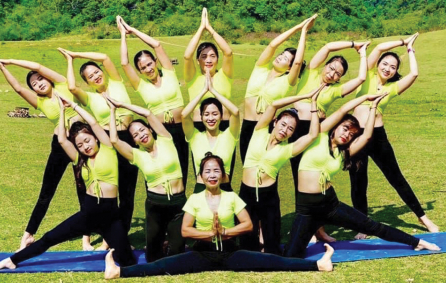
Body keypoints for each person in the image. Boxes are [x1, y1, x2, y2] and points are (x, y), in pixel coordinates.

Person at [103, 154, 334, 278]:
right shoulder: (194, 199)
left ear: (223, 175)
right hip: (201, 254)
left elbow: (248, 225)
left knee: (272, 261)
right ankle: (118, 271)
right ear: (201, 177)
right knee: (162, 265)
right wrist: (208, 234)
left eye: (216, 171)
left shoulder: (232, 197)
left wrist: (224, 232)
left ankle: (318, 266)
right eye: (207, 171)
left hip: (231, 253)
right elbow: (185, 231)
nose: (212, 175)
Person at [284, 92, 440, 257]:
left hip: (329, 204)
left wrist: (373, 109)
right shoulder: (319, 136)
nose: (346, 135)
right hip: (306, 208)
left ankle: (418, 242)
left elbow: (366, 136)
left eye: (351, 135)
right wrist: (365, 98)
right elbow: (344, 109)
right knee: (291, 255)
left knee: (372, 226)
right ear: (336, 126)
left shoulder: (344, 154)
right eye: (345, 129)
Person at [0, 99, 137, 270]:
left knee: (128, 261)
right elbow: (61, 140)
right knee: (50, 238)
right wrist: (62, 111)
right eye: (80, 145)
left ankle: (115, 252)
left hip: (110, 215)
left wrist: (74, 106)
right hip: (89, 213)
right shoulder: (79, 159)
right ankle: (12, 260)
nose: (85, 147)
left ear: (95, 138)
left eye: (87, 141)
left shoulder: (108, 148)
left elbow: (94, 122)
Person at [0, 57, 83, 251]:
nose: (38, 83)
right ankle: (28, 235)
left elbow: (37, 66)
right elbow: (19, 89)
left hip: (82, 142)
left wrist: (10, 60)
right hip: (60, 146)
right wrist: (2, 68)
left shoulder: (62, 85)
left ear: (47, 78)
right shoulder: (39, 101)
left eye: (40, 79)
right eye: (34, 84)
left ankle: (86, 237)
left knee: (84, 187)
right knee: (47, 192)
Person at [348, 33, 440, 236]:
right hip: (356, 135)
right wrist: (403, 41)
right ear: (378, 64)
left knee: (396, 177)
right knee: (358, 180)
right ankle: (362, 224)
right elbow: (379, 48)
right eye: (385, 64)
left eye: (393, 67)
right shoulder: (368, 75)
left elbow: (414, 74)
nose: (388, 69)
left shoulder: (392, 88)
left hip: (378, 136)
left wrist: (410, 49)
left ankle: (423, 218)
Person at [62, 47, 139, 235]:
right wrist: (70, 59)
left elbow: (105, 56)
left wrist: (78, 53)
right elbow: (72, 87)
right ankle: (109, 234)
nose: (95, 76)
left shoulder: (117, 82)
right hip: (107, 143)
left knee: (127, 193)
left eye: (96, 71)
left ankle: (122, 233)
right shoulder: (90, 97)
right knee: (110, 192)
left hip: (128, 138)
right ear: (87, 82)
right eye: (90, 77)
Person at [238, 88, 322, 254]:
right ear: (275, 122)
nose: (285, 130)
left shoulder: (288, 149)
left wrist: (312, 104)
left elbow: (313, 135)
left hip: (268, 197)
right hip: (246, 194)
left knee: (272, 247)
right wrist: (305, 95)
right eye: (283, 124)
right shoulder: (259, 131)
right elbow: (274, 104)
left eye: (290, 129)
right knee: (247, 247)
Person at [107, 98, 187, 263]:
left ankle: (168, 242)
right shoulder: (136, 155)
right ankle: (159, 244)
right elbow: (114, 140)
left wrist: (122, 104)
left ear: (150, 129)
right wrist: (113, 111)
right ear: (134, 141)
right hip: (155, 206)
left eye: (142, 130)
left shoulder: (166, 139)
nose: (141, 135)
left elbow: (148, 113)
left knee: (177, 255)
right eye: (135, 135)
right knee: (153, 258)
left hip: (178, 205)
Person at [288, 40, 369, 185]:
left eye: (338, 74)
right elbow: (328, 47)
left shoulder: (336, 90)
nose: (332, 74)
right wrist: (353, 44)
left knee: (314, 168)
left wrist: (363, 53)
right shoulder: (310, 72)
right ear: (325, 65)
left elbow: (361, 78)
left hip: (317, 131)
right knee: (297, 170)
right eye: (331, 68)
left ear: (340, 78)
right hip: (296, 128)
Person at [118, 16, 189, 181]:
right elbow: (124, 63)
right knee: (161, 170)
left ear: (155, 62)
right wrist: (123, 34)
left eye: (150, 64)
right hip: (158, 132)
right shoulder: (141, 85)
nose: (148, 69)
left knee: (181, 172)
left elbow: (157, 45)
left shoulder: (170, 73)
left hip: (180, 130)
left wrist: (132, 30)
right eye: (143, 68)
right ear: (140, 71)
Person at [240, 16, 313, 163]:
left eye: (286, 59)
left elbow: (298, 62)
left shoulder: (287, 81)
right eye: (282, 55)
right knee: (247, 167)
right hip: (247, 125)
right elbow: (272, 45)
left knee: (266, 167)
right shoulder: (260, 68)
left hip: (266, 130)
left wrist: (304, 32)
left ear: (289, 69)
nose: (280, 58)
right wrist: (297, 27)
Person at [182, 72, 241, 192]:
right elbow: (184, 115)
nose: (211, 118)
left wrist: (213, 91)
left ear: (221, 116)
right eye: (206, 114)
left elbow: (235, 112)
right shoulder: (194, 136)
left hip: (224, 190)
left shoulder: (230, 135)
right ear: (201, 116)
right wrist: (204, 91)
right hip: (201, 190)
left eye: (215, 114)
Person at [184, 8, 234, 128]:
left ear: (217, 59)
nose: (208, 60)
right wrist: (201, 28)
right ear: (197, 60)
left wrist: (210, 29)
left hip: (224, 126)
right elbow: (187, 56)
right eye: (204, 56)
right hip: (199, 126)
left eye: (212, 56)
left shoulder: (225, 75)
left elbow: (228, 52)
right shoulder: (192, 77)